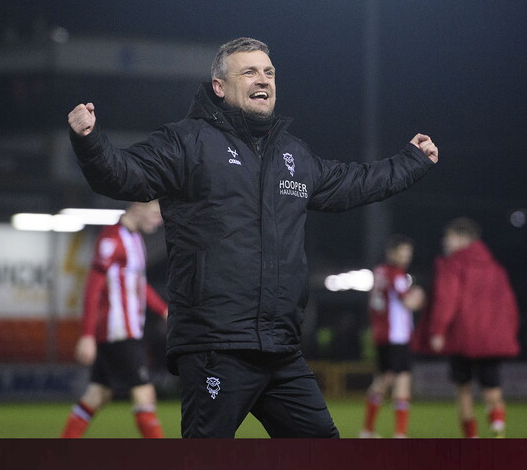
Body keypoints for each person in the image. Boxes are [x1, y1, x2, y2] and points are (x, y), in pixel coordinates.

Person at [67, 37, 439, 438]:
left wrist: (410, 162)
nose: (263, 79)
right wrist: (90, 142)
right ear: (220, 87)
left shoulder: (291, 154)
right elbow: (123, 173)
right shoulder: (187, 142)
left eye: (269, 72)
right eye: (249, 71)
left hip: (281, 348)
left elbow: (354, 183)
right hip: (215, 347)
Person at [60, 200, 169, 439]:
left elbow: (139, 285)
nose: (158, 220)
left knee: (97, 394)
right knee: (145, 394)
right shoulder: (111, 239)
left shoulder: (136, 239)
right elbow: (92, 288)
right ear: (137, 207)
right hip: (119, 331)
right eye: (154, 213)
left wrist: (163, 310)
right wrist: (87, 335)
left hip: (126, 331)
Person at [412, 217, 519, 438]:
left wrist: (438, 330)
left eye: (449, 237)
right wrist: (508, 332)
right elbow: (509, 306)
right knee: (492, 389)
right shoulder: (496, 268)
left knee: (463, 389)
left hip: (462, 337)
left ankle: (471, 438)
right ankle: (498, 427)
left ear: (462, 239)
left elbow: (447, 299)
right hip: (492, 339)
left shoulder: (453, 264)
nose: (445, 242)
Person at [360, 234, 425, 439]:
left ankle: (367, 430)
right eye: (402, 253)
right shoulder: (396, 275)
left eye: (408, 253)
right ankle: (400, 434)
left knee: (381, 380)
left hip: (381, 334)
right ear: (392, 253)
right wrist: (419, 296)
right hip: (396, 336)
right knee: (402, 381)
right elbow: (408, 303)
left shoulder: (379, 272)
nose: (406, 257)